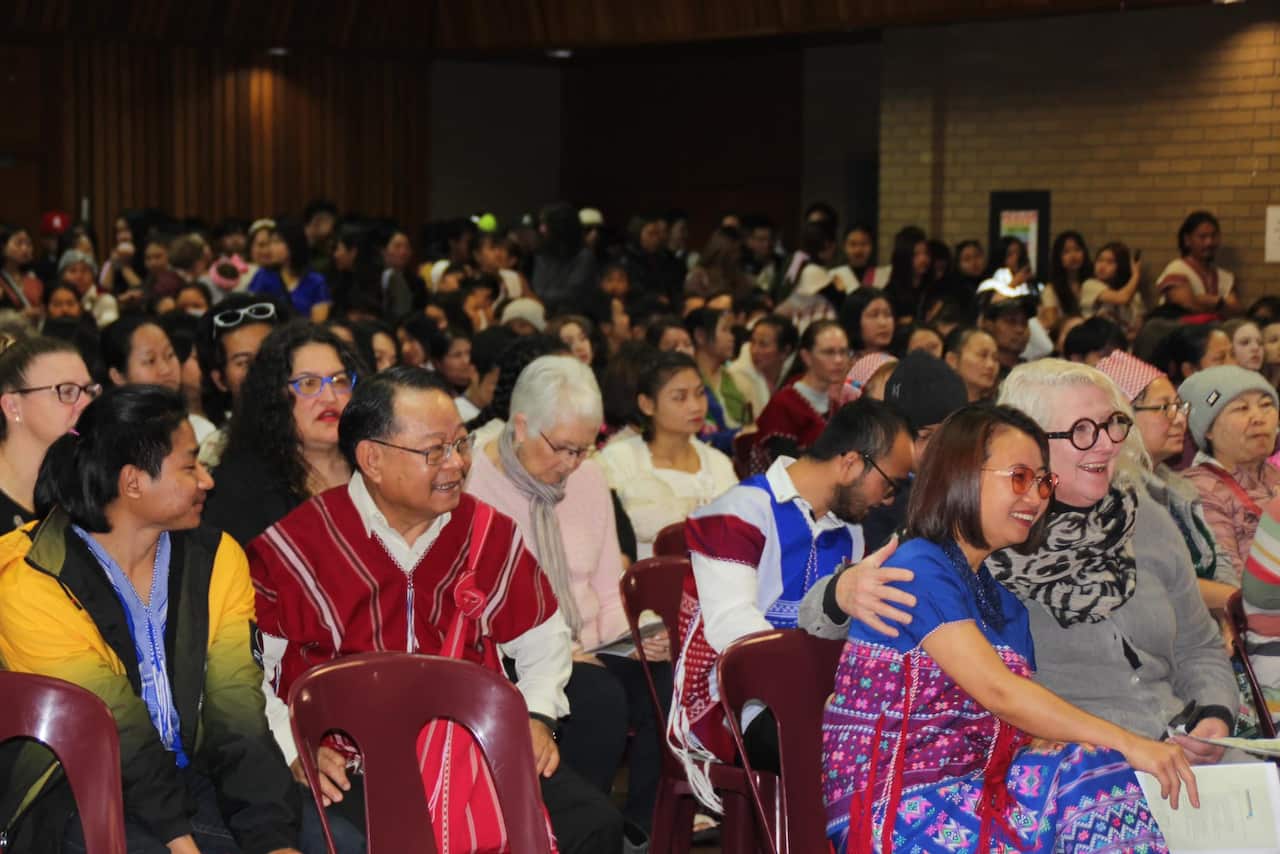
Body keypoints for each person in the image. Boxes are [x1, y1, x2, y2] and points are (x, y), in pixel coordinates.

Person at [249, 367, 623, 853]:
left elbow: (542, 636)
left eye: (461, 445)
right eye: (434, 451)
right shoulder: (296, 547)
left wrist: (536, 716)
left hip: (474, 752)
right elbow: (254, 673)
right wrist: (295, 746)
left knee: (594, 825)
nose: (456, 464)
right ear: (373, 459)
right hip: (353, 763)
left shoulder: (487, 533)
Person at [821, 404, 1193, 854]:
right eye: (1019, 477)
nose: (1036, 497)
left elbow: (1009, 721)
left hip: (980, 792)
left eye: (1043, 481)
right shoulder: (916, 566)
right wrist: (1131, 744)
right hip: (893, 809)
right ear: (962, 474)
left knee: (1086, 764)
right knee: (1089, 768)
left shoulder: (1005, 604)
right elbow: (1000, 693)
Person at [0, 386, 311, 854]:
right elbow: (107, 722)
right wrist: (178, 840)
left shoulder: (216, 557)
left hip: (192, 775)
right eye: (189, 467)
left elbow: (237, 711)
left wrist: (272, 837)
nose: (206, 480)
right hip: (74, 789)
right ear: (132, 482)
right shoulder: (29, 576)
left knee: (334, 841)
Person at [670, 399, 913, 808]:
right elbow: (732, 628)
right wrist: (823, 698)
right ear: (851, 462)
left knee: (911, 735)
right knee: (847, 750)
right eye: (890, 484)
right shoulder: (741, 511)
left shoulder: (850, 532)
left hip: (811, 695)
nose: (889, 501)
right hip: (729, 701)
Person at [992, 361, 1238, 756]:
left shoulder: (1145, 518)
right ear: (1026, 445)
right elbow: (985, 691)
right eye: (1082, 430)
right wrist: (850, 585)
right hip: (1077, 764)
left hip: (1181, 742)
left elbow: (1200, 646)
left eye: (1112, 424)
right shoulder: (991, 542)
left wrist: (1214, 714)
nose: (1107, 443)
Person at [466, 355, 665, 833]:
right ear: (521, 427)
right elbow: (475, 607)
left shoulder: (590, 480)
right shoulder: (471, 482)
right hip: (511, 651)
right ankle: (570, 830)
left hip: (589, 640)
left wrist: (643, 631)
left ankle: (640, 832)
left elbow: (606, 591)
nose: (573, 464)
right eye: (563, 449)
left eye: (584, 449)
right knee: (597, 695)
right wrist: (562, 649)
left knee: (666, 680)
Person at [1096, 350, 1235, 610]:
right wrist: (1236, 602)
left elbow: (1219, 561)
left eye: (1179, 406)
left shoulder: (1179, 487)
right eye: (1165, 408)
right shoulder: (1112, 496)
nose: (1180, 418)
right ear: (1122, 418)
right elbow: (1157, 581)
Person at [203, 323, 358, 546]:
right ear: (275, 397)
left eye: (338, 380)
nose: (330, 397)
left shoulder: (376, 467)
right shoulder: (240, 489)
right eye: (309, 383)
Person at [598, 351, 737, 560]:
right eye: (679, 397)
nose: (695, 406)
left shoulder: (719, 462)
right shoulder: (617, 460)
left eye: (700, 393)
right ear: (647, 404)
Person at [1181, 365, 1280, 587]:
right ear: (1208, 430)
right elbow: (1230, 581)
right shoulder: (1199, 489)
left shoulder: (1274, 474)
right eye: (1241, 409)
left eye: (1266, 405)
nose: (1258, 418)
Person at [860, 352, 968, 551]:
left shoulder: (969, 484)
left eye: (949, 434)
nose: (940, 447)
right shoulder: (880, 496)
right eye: (925, 436)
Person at [0, 337, 98, 531]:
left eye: (88, 390)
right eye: (67, 391)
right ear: (13, 407)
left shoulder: (86, 487)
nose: (86, 403)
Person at [194, 295, 288, 468]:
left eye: (269, 354)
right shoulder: (214, 458)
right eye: (244, 362)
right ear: (220, 380)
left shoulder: (321, 429)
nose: (261, 369)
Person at [752, 320, 851, 464]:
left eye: (843, 352)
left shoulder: (834, 405)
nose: (839, 360)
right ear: (806, 356)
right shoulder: (784, 405)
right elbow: (784, 469)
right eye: (829, 352)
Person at [1157, 211, 1240, 316]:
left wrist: (1208, 300)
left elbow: (1236, 311)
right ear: (1187, 240)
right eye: (1202, 237)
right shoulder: (1177, 269)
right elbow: (1186, 306)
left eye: (1213, 236)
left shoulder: (1225, 277)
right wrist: (1220, 303)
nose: (1209, 242)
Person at [248, 221, 331, 322]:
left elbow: (318, 324)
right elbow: (252, 314)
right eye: (271, 242)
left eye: (277, 242)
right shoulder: (263, 276)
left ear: (293, 243)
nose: (271, 248)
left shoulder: (315, 281)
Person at [726, 314, 797, 420]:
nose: (754, 350)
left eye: (763, 345)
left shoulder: (795, 378)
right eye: (753, 342)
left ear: (785, 351)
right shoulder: (735, 376)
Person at [1081, 241, 1144, 336]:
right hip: (1095, 343)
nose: (1102, 266)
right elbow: (1122, 298)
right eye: (1099, 260)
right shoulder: (1090, 285)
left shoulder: (1134, 295)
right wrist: (1136, 274)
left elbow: (1138, 327)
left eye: (1110, 262)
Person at [1038, 230, 1092, 334]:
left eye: (1077, 249)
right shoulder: (1052, 289)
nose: (1073, 256)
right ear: (1058, 258)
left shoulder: (1091, 283)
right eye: (1066, 252)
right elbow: (1051, 322)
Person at [0, 224, 44, 323]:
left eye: (28, 244)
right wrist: (20, 316)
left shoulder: (35, 281)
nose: (25, 249)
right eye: (18, 243)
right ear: (3, 247)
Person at [943, 327, 1000, 402]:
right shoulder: (934, 405)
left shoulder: (997, 411)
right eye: (982, 355)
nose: (991, 365)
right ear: (952, 360)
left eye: (995, 358)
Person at [838, 288, 894, 358]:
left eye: (887, 314)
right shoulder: (842, 363)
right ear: (855, 321)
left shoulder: (900, 362)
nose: (883, 323)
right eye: (873, 315)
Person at [829, 224, 875, 293]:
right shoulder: (835, 275)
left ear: (871, 246)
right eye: (853, 244)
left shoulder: (881, 276)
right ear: (844, 246)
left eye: (864, 243)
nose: (858, 250)